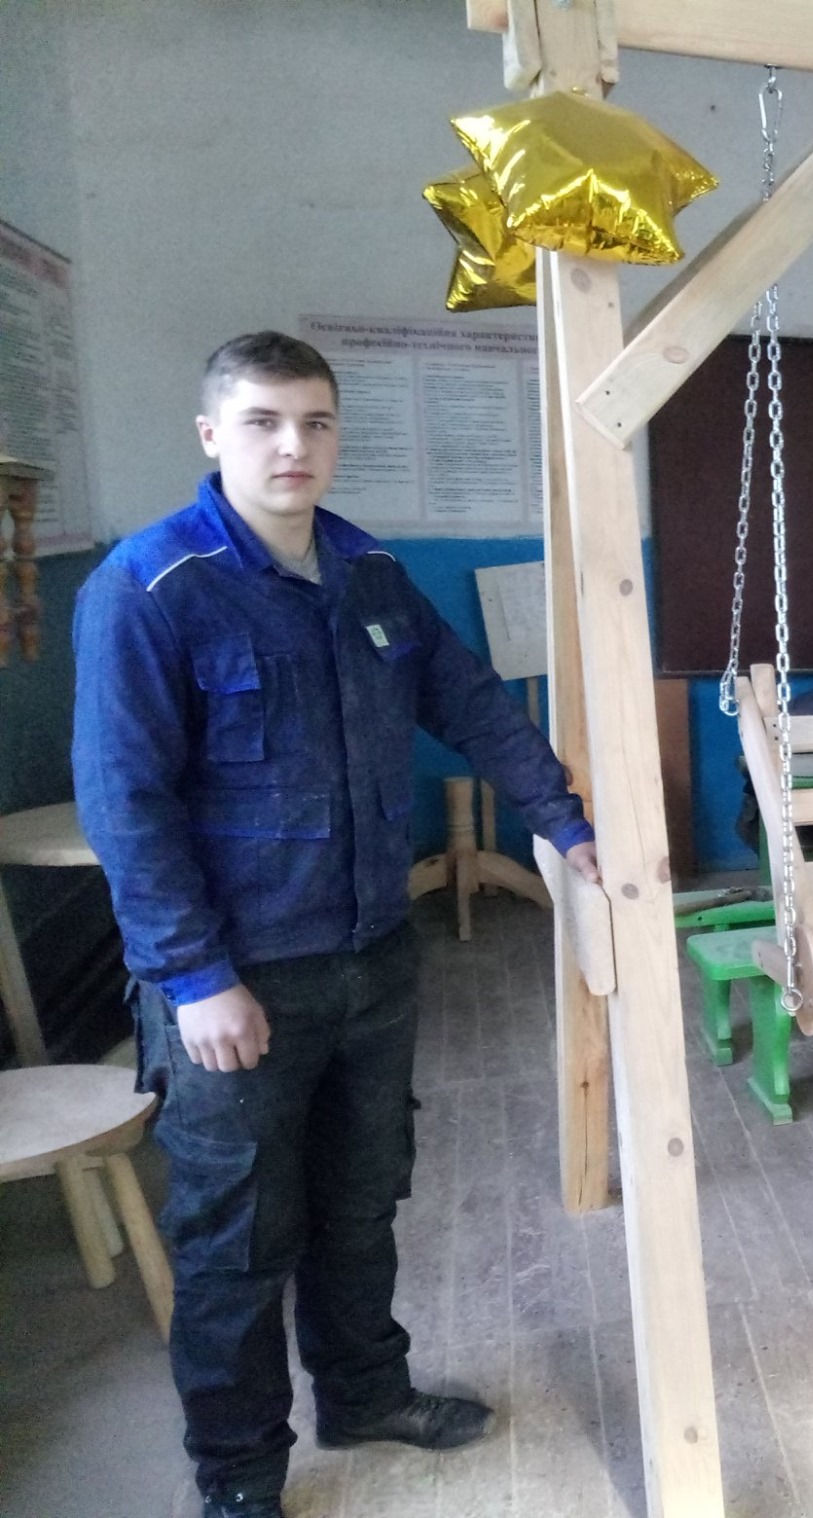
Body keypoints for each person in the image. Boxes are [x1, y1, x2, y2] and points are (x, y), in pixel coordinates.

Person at [71, 332, 600, 1518]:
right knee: (236, 1240)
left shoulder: (369, 575)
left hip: (371, 956)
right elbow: (125, 805)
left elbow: (471, 702)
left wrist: (567, 823)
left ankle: (365, 1394)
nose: (292, 446)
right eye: (262, 421)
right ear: (212, 434)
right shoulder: (149, 587)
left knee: (363, 1201)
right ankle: (240, 1478)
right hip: (240, 980)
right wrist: (194, 977)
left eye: (314, 422)